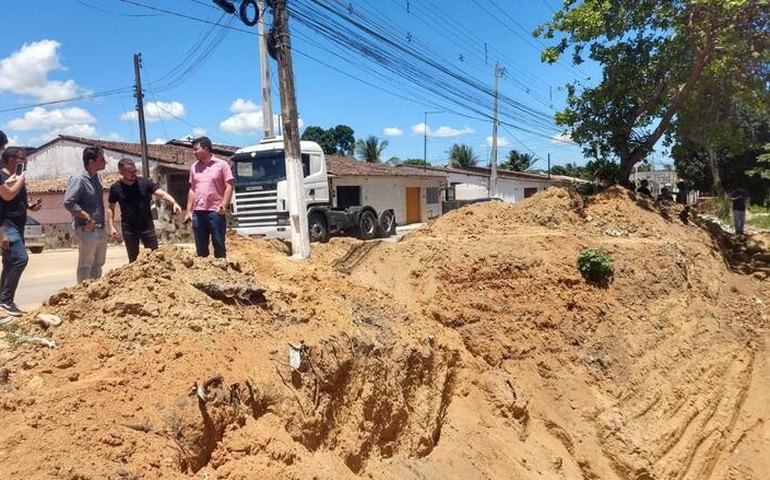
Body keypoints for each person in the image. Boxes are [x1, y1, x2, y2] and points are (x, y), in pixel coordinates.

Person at [107, 158, 182, 262]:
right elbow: (110, 208)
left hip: (147, 227)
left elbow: (162, 194)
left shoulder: (144, 183)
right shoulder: (115, 188)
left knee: (155, 257)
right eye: (130, 172)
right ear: (121, 172)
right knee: (133, 260)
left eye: (134, 171)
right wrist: (111, 227)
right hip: (129, 229)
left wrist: (174, 203)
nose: (134, 174)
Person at [0, 147, 42, 317]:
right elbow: (7, 195)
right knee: (20, 259)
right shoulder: (3, 177)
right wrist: (21, 179)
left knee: (10, 262)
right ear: (11, 160)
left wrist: (30, 206)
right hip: (6, 226)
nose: (25, 162)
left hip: (18, 226)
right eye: (22, 159)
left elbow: (16, 201)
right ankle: (6, 300)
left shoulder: (15, 179)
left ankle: (3, 301)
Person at [184, 136, 234, 258]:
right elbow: (192, 189)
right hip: (198, 212)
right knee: (200, 247)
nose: (194, 152)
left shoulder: (222, 165)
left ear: (206, 148)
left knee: (218, 243)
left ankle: (222, 270)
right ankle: (204, 273)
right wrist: (188, 211)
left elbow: (229, 186)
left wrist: (223, 205)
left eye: (196, 149)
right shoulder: (194, 167)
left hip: (215, 212)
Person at [63, 146, 108, 282]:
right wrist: (85, 216)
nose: (105, 162)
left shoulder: (97, 178)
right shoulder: (79, 178)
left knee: (98, 264)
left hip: (100, 227)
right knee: (86, 265)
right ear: (91, 162)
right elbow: (68, 201)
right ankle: (83, 294)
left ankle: (95, 295)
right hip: (86, 228)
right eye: (101, 159)